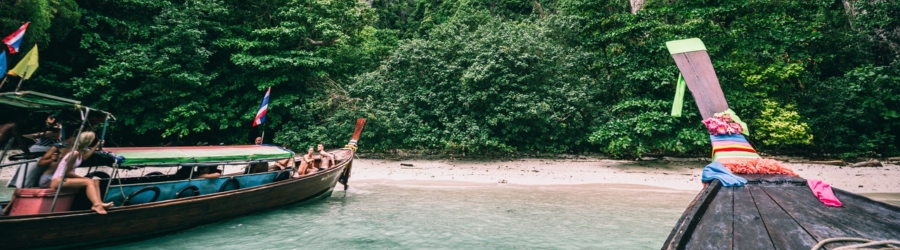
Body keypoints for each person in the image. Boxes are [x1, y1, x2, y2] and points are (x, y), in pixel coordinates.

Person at [43, 131, 112, 214]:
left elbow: (85, 157)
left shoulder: (79, 153)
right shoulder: (74, 153)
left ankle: (100, 203)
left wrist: (96, 146)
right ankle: (96, 205)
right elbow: (67, 172)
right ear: (87, 141)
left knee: (95, 181)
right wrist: (83, 178)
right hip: (58, 179)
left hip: (64, 178)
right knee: (88, 182)